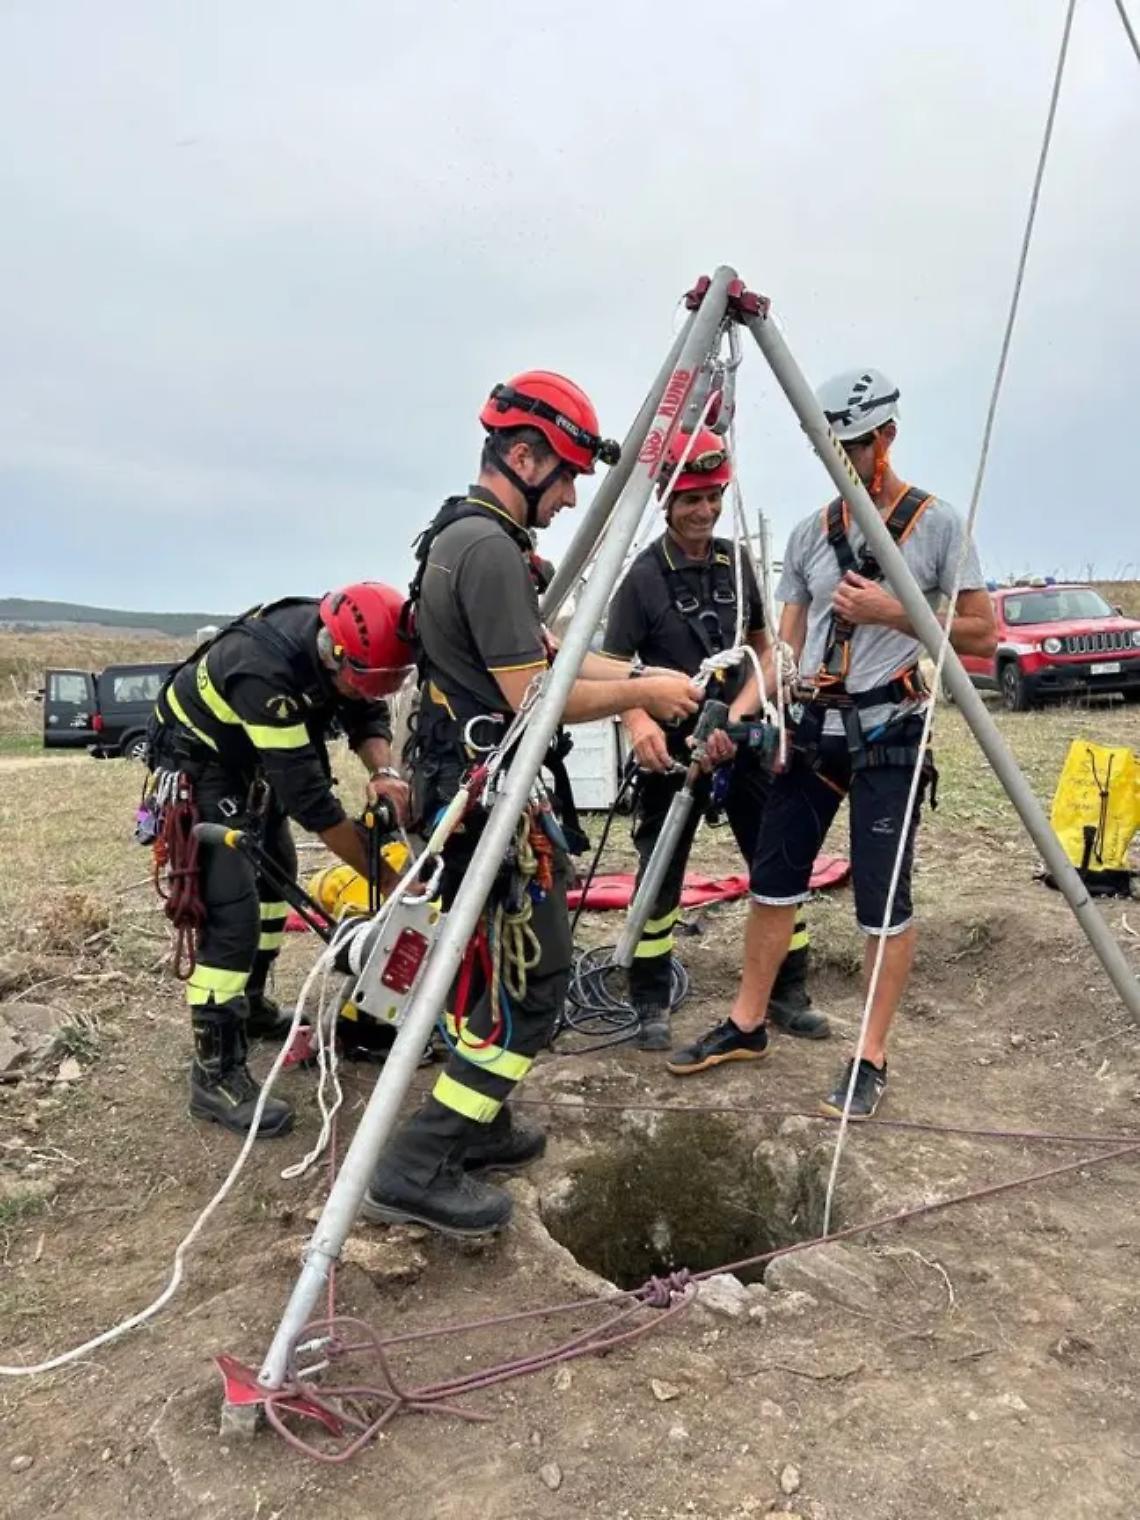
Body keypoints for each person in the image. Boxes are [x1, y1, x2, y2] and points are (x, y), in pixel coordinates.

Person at [363, 370, 703, 1236]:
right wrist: (648, 694)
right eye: (565, 479)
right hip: (493, 806)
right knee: (535, 981)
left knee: (496, 970)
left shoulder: (466, 538)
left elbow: (553, 657)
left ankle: (480, 1125)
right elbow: (532, 696)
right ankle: (418, 1160)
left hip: (477, 793)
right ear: (522, 454)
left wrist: (643, 679)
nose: (569, 499)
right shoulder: (486, 551)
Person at [670, 368, 996, 1115]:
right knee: (772, 881)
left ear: (886, 436)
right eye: (831, 448)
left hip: (889, 732)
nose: (843, 460)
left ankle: (870, 1055)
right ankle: (748, 1023)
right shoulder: (810, 534)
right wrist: (742, 713)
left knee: (882, 901)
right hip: (814, 732)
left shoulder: (937, 525)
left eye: (854, 444)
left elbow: (982, 633)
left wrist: (896, 610)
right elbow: (784, 650)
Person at [147, 585, 413, 1137]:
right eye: (357, 678)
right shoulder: (263, 675)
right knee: (232, 916)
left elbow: (366, 708)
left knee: (277, 886)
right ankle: (214, 1077)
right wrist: (388, 881)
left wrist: (383, 772)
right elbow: (312, 802)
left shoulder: (345, 645)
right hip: (201, 766)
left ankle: (254, 1004)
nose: (362, 690)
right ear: (332, 654)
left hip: (251, 761)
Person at [600, 428, 828, 1054]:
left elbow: (761, 648)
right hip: (672, 749)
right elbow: (613, 670)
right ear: (668, 502)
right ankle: (649, 997)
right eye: (691, 498)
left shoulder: (737, 562)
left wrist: (738, 718)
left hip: (740, 735)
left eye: (713, 497)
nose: (703, 511)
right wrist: (641, 724)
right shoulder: (642, 580)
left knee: (778, 862)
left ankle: (789, 990)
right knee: (661, 875)